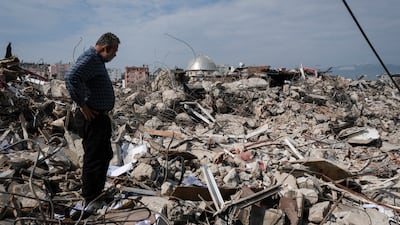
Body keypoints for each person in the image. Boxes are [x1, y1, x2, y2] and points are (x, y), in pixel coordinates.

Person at [64, 32, 120, 207]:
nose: (115, 55)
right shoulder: (91, 59)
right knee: (94, 157)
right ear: (105, 48)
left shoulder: (97, 60)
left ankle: (96, 194)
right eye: (114, 51)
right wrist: (82, 105)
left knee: (104, 155)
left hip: (99, 117)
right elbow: (71, 77)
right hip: (91, 116)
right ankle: (90, 199)